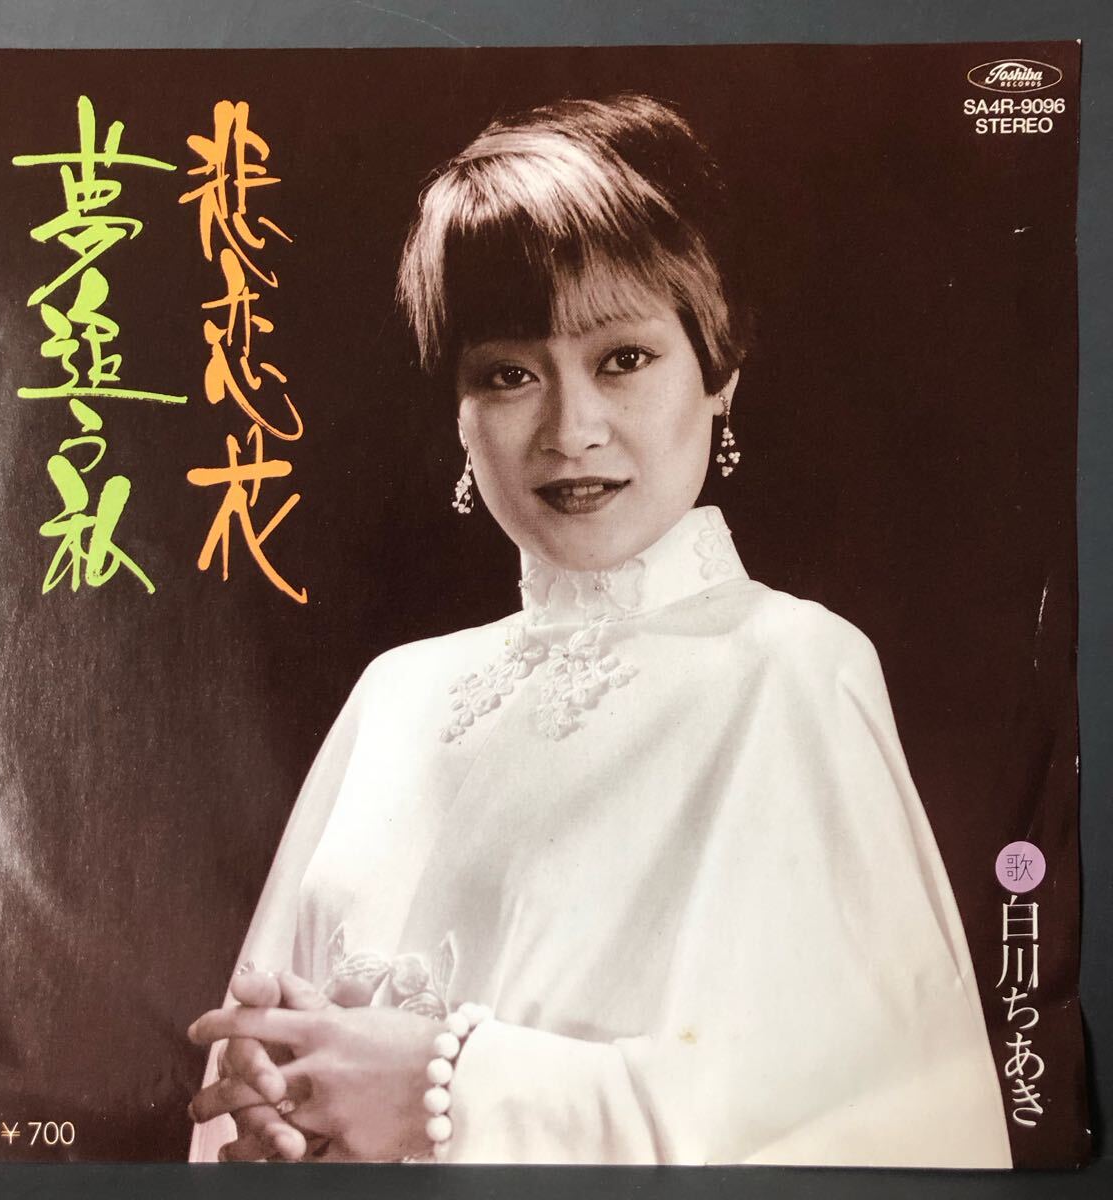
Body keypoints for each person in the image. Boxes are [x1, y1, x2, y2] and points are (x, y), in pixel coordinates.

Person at [186, 93, 1013, 1167]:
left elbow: (885, 1126)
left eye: (623, 358)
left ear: (719, 375)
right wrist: (270, 1100)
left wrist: (448, 1089)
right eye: (509, 374)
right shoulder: (397, 693)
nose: (571, 430)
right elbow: (252, 1090)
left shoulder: (793, 668)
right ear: (459, 414)